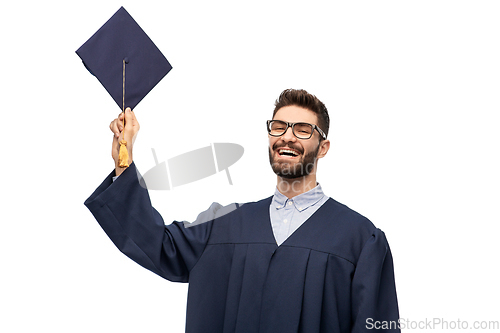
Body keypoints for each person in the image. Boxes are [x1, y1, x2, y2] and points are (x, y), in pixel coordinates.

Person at [85, 89, 400, 332]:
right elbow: (156, 244)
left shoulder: (360, 240)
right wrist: (123, 160)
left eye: (303, 129)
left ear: (324, 146)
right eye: (278, 127)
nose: (287, 136)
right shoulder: (223, 225)